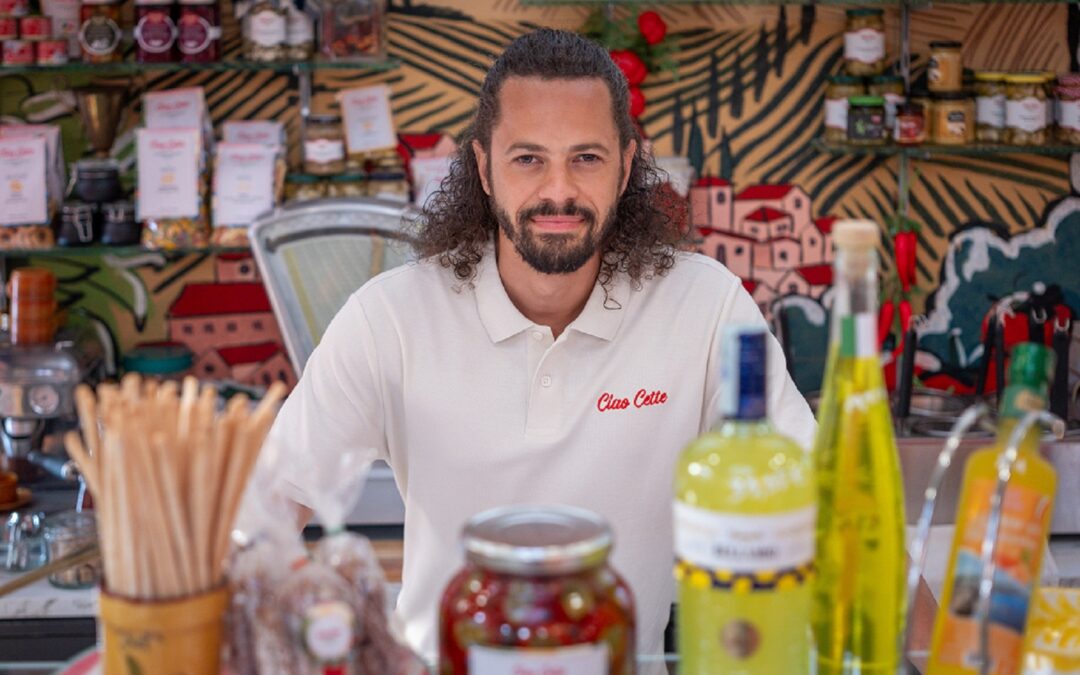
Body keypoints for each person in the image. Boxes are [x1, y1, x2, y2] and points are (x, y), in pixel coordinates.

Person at [266, 28, 816, 662]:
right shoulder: (388, 317)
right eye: (528, 158)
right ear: (484, 167)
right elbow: (270, 507)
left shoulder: (707, 306)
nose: (559, 191)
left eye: (586, 158)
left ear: (626, 166)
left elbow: (812, 494)